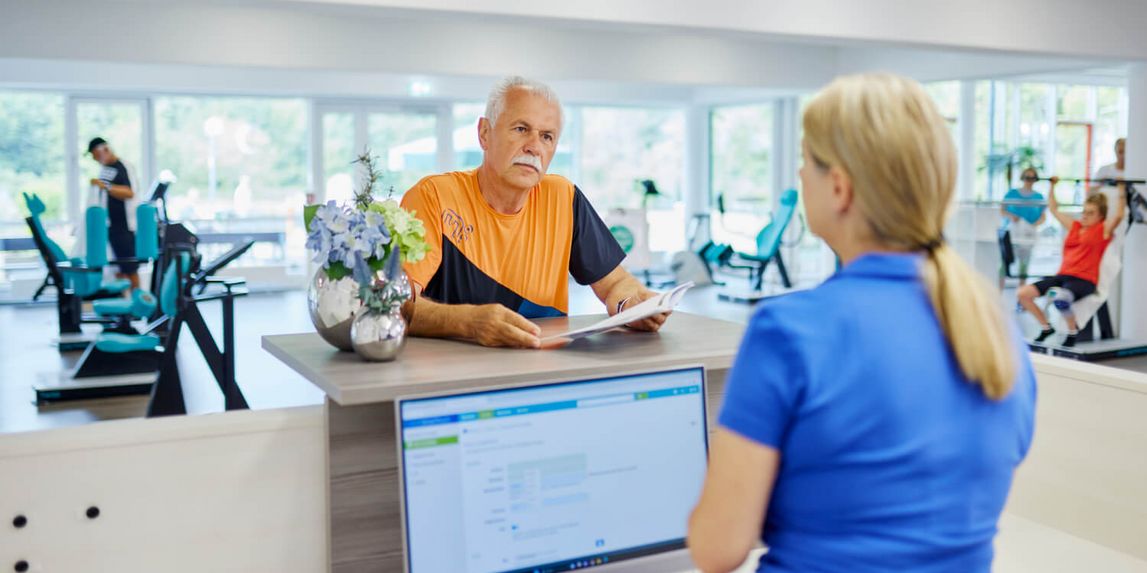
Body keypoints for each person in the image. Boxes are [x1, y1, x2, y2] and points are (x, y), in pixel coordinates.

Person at [687, 73, 1036, 573]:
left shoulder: (789, 331)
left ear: (839, 186)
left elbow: (716, 549)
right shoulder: (994, 328)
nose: (800, 178)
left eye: (805, 163)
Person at [400, 77, 667, 348]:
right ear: (484, 133)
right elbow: (395, 304)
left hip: (544, 368)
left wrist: (631, 306)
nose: (534, 146)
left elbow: (615, 284)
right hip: (453, 372)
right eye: (520, 129)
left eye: (547, 136)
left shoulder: (564, 198)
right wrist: (467, 321)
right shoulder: (432, 197)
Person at [1018, 178, 1126, 347]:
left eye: (1090, 213)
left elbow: (1119, 215)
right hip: (1062, 276)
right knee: (1023, 294)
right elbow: (1053, 209)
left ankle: (1072, 332)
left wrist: (1121, 187)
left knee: (1059, 297)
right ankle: (1046, 328)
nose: (1084, 215)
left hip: (1085, 280)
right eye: (1084, 211)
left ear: (1101, 216)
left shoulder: (1103, 230)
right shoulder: (1074, 226)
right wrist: (1053, 185)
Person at [87, 137, 142, 290]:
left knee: (129, 268)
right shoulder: (105, 170)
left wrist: (106, 186)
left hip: (125, 229)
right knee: (117, 269)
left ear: (105, 150)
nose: (96, 160)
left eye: (97, 156)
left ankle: (137, 306)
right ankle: (124, 304)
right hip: (110, 227)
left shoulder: (123, 166)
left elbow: (130, 192)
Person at [999, 167, 1048, 288]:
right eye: (1027, 177)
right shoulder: (1012, 194)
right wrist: (1011, 217)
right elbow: (1002, 210)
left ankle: (1020, 296)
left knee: (1024, 265)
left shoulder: (1039, 197)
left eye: (1032, 178)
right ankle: (998, 294)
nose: (1029, 180)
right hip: (1012, 234)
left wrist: (1035, 224)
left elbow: (1043, 217)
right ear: (1023, 178)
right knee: (1004, 264)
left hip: (1028, 235)